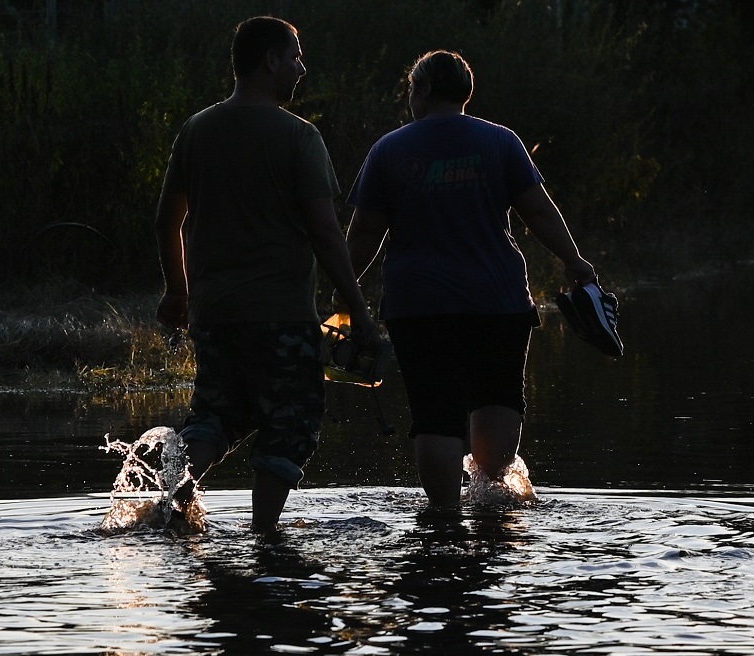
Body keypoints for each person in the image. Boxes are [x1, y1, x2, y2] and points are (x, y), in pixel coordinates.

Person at [342, 50, 604, 506]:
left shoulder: (389, 149)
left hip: (419, 305)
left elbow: (365, 231)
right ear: (466, 92)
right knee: (498, 399)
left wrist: (344, 289)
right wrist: (573, 260)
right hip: (497, 299)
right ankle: (489, 499)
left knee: (435, 413)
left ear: (421, 90)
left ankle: (444, 518)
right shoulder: (501, 142)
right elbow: (537, 210)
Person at [154, 16, 378, 532]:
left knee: (215, 417)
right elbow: (325, 234)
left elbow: (168, 220)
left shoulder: (196, 131)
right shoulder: (299, 137)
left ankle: (170, 503)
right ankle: (263, 536)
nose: (302, 68)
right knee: (290, 422)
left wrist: (176, 290)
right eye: (296, 57)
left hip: (214, 316)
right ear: (270, 60)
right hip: (282, 317)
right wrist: (358, 311)